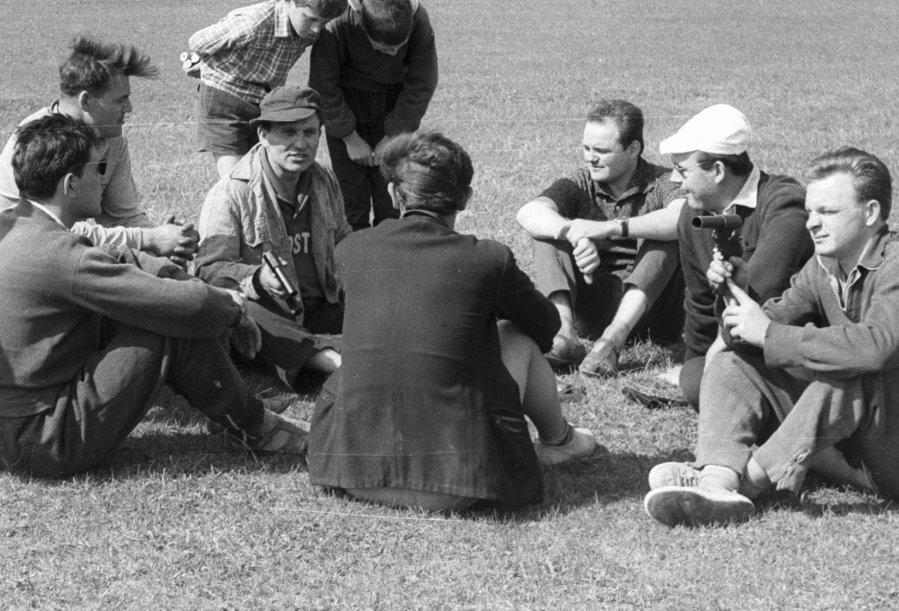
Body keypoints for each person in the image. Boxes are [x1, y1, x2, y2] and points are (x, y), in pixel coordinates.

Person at [0, 114, 310, 479]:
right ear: (71, 184)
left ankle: (238, 411)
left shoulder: (18, 224)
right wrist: (232, 307)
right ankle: (256, 426)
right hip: (39, 440)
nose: (105, 178)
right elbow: (187, 306)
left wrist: (181, 282)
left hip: (3, 427)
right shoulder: (56, 255)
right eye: (100, 168)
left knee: (166, 305)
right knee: (167, 323)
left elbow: (122, 258)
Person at [644, 147, 899, 526]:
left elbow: (875, 352)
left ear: (870, 213)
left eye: (828, 212)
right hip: (856, 447)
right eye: (811, 211)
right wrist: (740, 293)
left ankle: (746, 484)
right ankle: (715, 476)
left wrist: (769, 333)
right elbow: (755, 329)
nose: (812, 224)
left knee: (858, 371)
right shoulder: (823, 266)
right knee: (734, 362)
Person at [308, 130, 602, 512]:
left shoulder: (350, 250)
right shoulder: (487, 259)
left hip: (351, 473)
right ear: (465, 198)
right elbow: (546, 329)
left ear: (397, 195)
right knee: (515, 334)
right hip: (459, 481)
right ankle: (560, 441)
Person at [0, 36, 199, 302]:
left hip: (47, 252)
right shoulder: (41, 139)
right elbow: (50, 231)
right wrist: (149, 239)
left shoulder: (111, 138)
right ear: (86, 101)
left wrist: (169, 241)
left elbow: (124, 216)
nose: (129, 109)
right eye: (121, 100)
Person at [516, 99, 686, 378]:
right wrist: (572, 232)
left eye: (601, 151)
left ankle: (613, 342)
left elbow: (682, 218)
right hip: (593, 303)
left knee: (667, 236)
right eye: (586, 148)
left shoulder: (663, 181)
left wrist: (609, 228)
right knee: (547, 231)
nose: (590, 158)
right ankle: (564, 336)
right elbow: (529, 211)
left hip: (652, 312)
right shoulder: (582, 182)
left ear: (633, 149)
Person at [194, 86, 348, 392]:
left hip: (320, 305)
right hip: (269, 312)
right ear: (263, 136)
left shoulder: (324, 179)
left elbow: (344, 241)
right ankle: (335, 361)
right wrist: (258, 279)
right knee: (244, 310)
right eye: (288, 133)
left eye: (310, 132)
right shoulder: (230, 192)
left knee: (382, 306)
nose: (301, 143)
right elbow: (207, 270)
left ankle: (319, 352)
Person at [660, 104, 813, 409]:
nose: (675, 181)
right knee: (695, 381)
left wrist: (716, 353)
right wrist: (699, 362)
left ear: (717, 171)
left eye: (682, 170)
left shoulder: (784, 205)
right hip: (733, 347)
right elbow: (700, 303)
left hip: (791, 350)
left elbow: (763, 292)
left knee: (716, 383)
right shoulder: (692, 214)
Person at [183, 0, 348, 179]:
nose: (317, 29)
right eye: (311, 19)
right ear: (288, 0)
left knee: (267, 176)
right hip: (223, 101)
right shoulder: (253, 23)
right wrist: (202, 64)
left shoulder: (309, 30)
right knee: (237, 181)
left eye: (324, 21)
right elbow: (198, 41)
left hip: (263, 103)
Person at [307, 0, 438, 229]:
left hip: (394, 106)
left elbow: (422, 83)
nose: (392, 54)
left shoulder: (418, 19)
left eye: (398, 48)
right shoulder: (338, 23)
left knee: (391, 195)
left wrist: (394, 135)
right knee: (350, 200)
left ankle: (387, 254)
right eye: (383, 48)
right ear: (364, 28)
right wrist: (349, 137)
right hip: (346, 106)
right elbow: (323, 85)